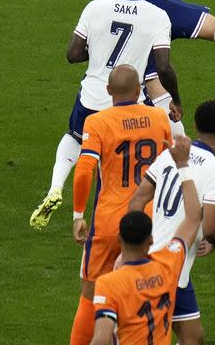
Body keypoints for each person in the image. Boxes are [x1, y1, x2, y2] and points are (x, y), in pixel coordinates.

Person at [30, 0, 181, 230]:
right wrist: (176, 101)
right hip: (126, 101)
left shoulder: (95, 8)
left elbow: (73, 54)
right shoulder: (158, 16)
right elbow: (163, 67)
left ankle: (56, 186)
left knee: (76, 138)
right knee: (122, 160)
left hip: (92, 96)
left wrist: (100, 50)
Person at [67, 65, 173, 345]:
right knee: (155, 288)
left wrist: (78, 214)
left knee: (90, 294)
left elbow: (84, 168)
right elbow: (170, 166)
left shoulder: (98, 122)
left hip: (109, 221)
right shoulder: (158, 117)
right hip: (150, 221)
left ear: (108, 90)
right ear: (139, 90)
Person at [128, 100, 215, 345]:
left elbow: (138, 200)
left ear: (194, 125)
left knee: (193, 336)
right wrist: (214, 241)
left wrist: (137, 242)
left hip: (150, 255)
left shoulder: (170, 154)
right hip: (170, 264)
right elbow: (211, 226)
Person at [90, 135, 202, 345]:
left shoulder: (109, 284)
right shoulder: (168, 265)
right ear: (150, 240)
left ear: (119, 238)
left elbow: (101, 339)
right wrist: (182, 165)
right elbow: (194, 217)